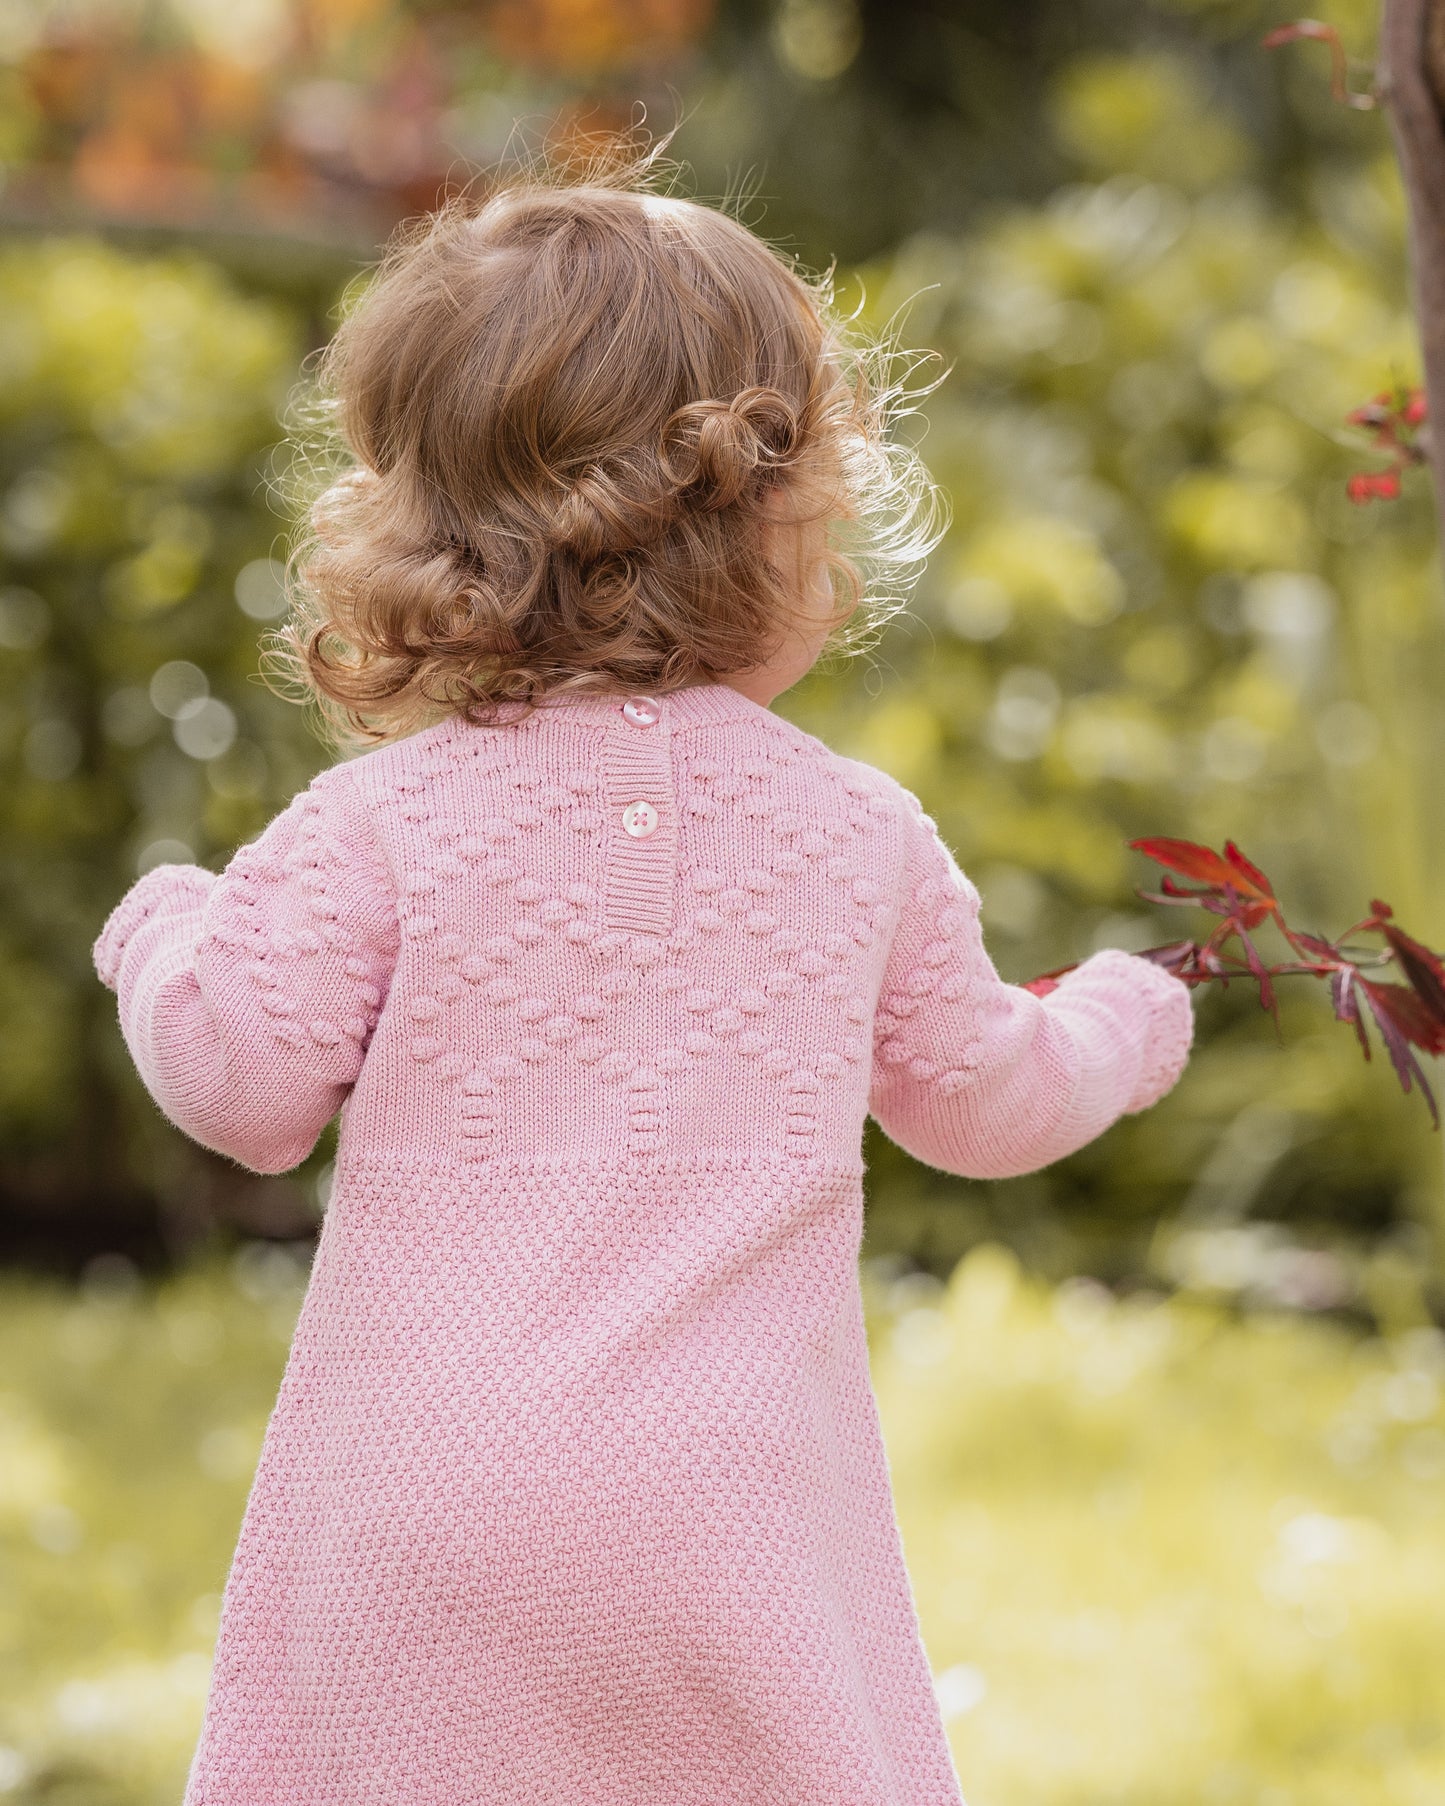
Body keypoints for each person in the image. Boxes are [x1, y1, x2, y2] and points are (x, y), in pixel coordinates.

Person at [93, 145, 1194, 1806]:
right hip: (731, 1518)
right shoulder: (857, 835)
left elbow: (239, 1084)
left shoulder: (378, 823)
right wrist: (1120, 1016)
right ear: (779, 517)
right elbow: (984, 1101)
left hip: (426, 1512)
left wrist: (161, 921)